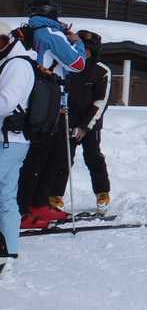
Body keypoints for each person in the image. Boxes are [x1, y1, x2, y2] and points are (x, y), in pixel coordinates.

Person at [17, 0, 85, 228]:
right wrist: (77, 42)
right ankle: (25, 210)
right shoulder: (51, 34)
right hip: (49, 102)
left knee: (52, 154)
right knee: (40, 158)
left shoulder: (28, 32)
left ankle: (37, 203)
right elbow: (77, 64)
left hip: (34, 99)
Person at [50, 30, 112, 214]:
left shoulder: (102, 71)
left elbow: (100, 103)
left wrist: (85, 127)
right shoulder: (66, 67)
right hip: (67, 120)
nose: (80, 52)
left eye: (84, 49)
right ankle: (55, 196)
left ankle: (102, 193)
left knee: (93, 157)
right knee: (62, 158)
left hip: (90, 123)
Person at [0, 22, 37, 272]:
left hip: (9, 140)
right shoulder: (9, 63)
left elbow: (6, 101)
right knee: (6, 196)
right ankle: (8, 254)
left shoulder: (18, 65)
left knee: (5, 196)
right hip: (10, 139)